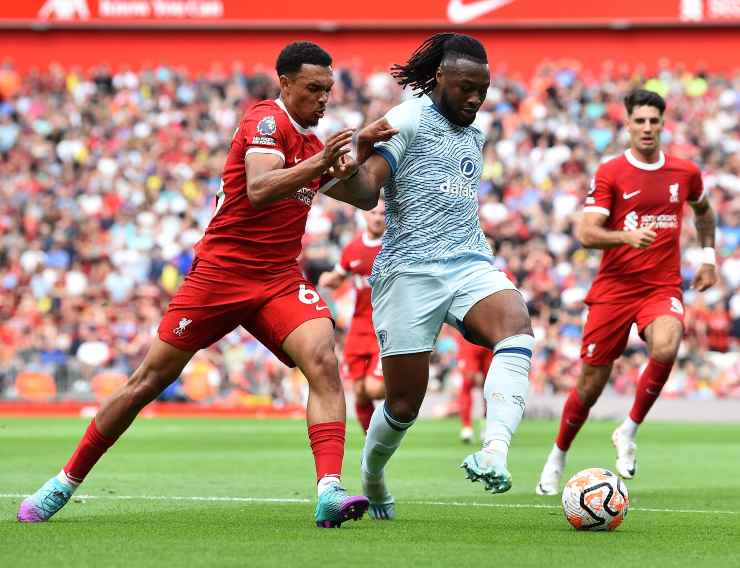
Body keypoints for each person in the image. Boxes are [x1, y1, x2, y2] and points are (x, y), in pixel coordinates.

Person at [18, 41, 390, 528]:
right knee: (148, 382)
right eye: (313, 89)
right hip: (219, 276)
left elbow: (364, 198)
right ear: (285, 84)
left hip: (277, 278)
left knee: (322, 360)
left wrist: (365, 149)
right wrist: (321, 165)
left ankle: (329, 491)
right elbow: (258, 190)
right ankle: (62, 483)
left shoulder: (312, 146)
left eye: (328, 90)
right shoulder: (266, 121)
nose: (323, 99)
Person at [347, 33, 535, 520]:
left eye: (484, 88)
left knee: (516, 325)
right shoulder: (408, 119)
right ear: (437, 81)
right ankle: (372, 475)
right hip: (408, 271)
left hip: (469, 261)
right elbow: (368, 191)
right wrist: (354, 152)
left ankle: (494, 450)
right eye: (466, 88)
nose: (476, 98)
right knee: (405, 404)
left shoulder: (476, 131)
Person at [535, 89, 718, 495]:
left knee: (668, 345)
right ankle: (558, 454)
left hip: (661, 286)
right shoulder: (611, 172)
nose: (648, 128)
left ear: (663, 124)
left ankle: (628, 431)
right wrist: (625, 236)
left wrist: (708, 257)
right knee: (590, 384)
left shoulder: (684, 172)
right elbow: (586, 232)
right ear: (628, 124)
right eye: (640, 121)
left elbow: (704, 211)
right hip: (614, 290)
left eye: (655, 121)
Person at [319, 200, 386, 434]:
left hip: (385, 328)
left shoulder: (396, 247)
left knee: (375, 389)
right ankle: (372, 440)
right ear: (364, 216)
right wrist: (327, 279)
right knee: (359, 392)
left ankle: (404, 395)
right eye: (373, 212)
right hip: (358, 328)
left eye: (383, 213)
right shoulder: (353, 249)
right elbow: (339, 275)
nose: (378, 217)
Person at [456, 332, 492, 443]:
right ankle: (467, 428)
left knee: (490, 387)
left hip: (488, 339)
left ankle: (486, 426)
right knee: (468, 383)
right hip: (472, 339)